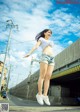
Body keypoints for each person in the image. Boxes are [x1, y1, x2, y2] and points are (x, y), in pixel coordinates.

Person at [24, 29, 55, 105]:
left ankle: (45, 95)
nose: (50, 33)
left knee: (48, 77)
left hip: (52, 58)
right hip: (45, 57)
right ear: (44, 33)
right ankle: (39, 94)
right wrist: (29, 53)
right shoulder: (41, 39)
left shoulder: (51, 42)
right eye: (48, 32)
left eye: (51, 33)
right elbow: (36, 46)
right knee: (42, 76)